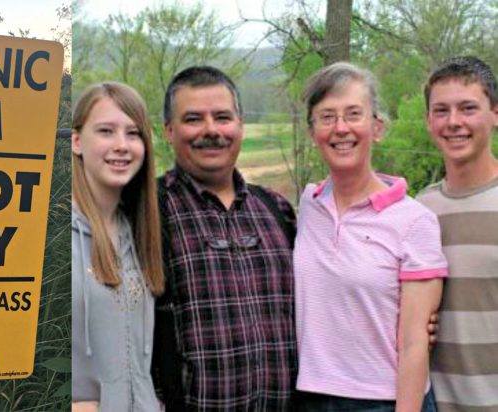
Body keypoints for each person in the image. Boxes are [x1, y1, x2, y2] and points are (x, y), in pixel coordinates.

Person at [293, 62, 447, 411]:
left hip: (381, 401)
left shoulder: (414, 221)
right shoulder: (309, 205)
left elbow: (414, 344)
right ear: (312, 130)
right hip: (309, 397)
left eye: (353, 114)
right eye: (327, 117)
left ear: (377, 127)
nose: (340, 128)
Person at [151, 66, 298, 411]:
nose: (211, 130)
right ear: (169, 131)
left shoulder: (277, 210)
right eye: (193, 119)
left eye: (222, 117)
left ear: (240, 125)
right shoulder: (147, 211)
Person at [71, 82, 164, 412]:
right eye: (106, 131)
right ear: (77, 140)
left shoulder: (139, 231)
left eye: (134, 133)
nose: (122, 145)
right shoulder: (51, 235)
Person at [416, 56, 498, 412]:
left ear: (495, 113)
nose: (454, 123)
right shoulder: (420, 210)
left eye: (468, 108)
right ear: (428, 120)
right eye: (441, 110)